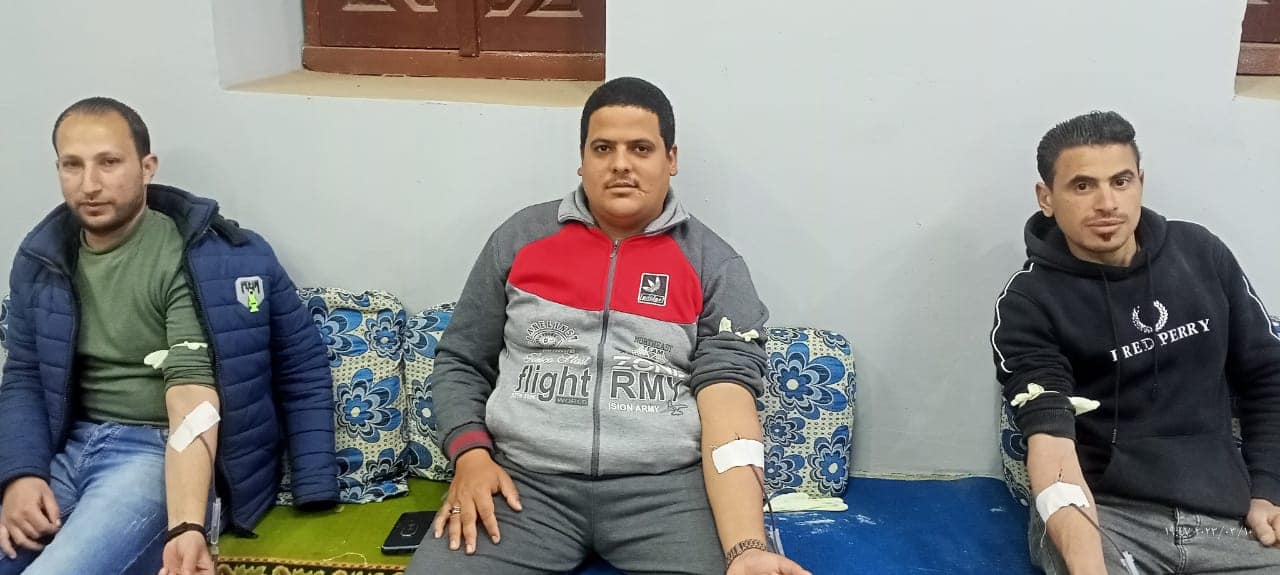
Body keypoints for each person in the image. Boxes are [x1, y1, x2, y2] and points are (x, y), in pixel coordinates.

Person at [409, 77, 809, 575]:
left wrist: (746, 547)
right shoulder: (520, 239)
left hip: (666, 493)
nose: (621, 164)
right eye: (603, 148)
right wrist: (470, 455)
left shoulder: (714, 264)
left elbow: (728, 399)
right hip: (523, 486)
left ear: (671, 159)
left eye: (641, 148)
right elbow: (461, 359)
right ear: (582, 159)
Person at [0, 97, 339, 575]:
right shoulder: (41, 259)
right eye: (72, 165)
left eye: (109, 162)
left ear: (147, 167)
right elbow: (25, 375)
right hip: (70, 446)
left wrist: (187, 525)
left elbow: (195, 396)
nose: (90, 184)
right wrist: (20, 474)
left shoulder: (201, 257)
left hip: (157, 455)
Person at [991, 111, 1280, 574]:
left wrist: (1268, 490)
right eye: (1082, 186)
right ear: (1046, 198)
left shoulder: (1201, 253)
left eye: (1121, 181)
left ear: (1140, 182)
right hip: (1105, 517)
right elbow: (1051, 441)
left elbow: (1268, 376)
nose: (1107, 203)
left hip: (1228, 518)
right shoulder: (1028, 301)